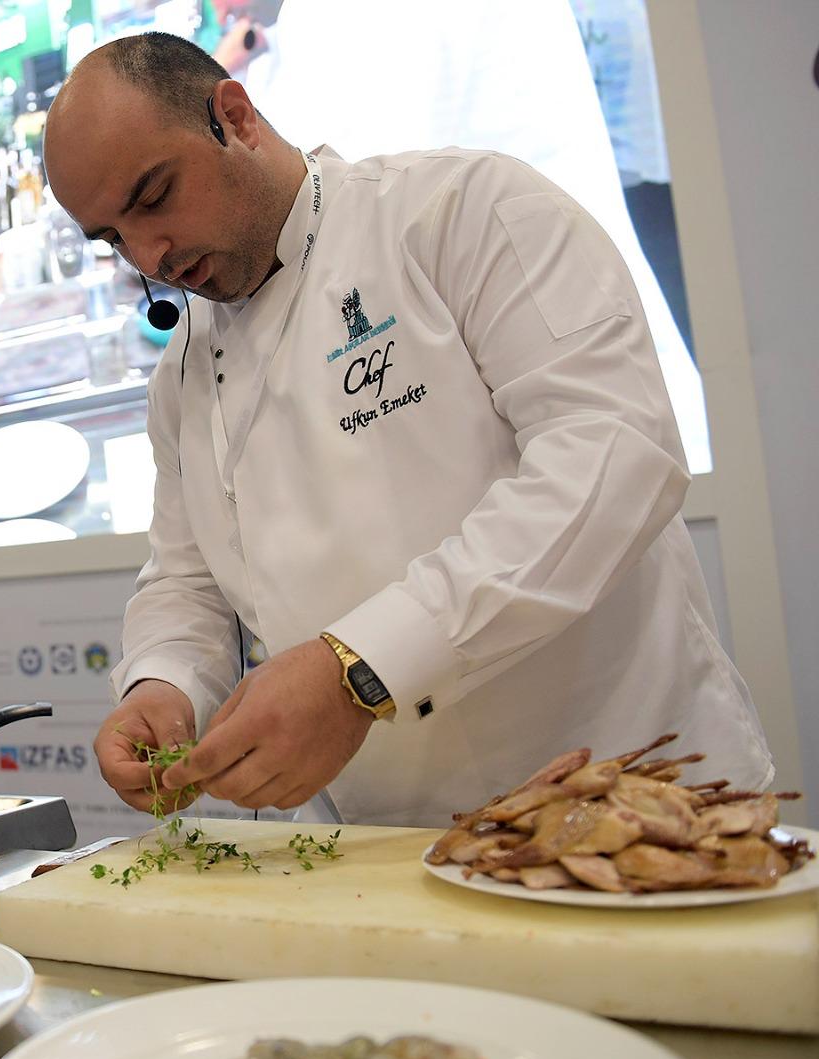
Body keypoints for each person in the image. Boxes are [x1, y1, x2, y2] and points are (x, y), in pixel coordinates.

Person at [41, 34, 773, 827]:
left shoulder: (462, 212)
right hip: (391, 847)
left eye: (155, 197)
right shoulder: (181, 377)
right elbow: (186, 581)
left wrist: (361, 669)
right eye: (113, 239)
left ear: (237, 117)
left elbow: (614, 458)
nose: (150, 256)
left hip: (628, 793)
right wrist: (164, 685)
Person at [205, 0, 708, 471]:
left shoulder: (352, 29)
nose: (218, 10)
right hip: (558, 327)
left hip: (505, 359)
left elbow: (336, 225)